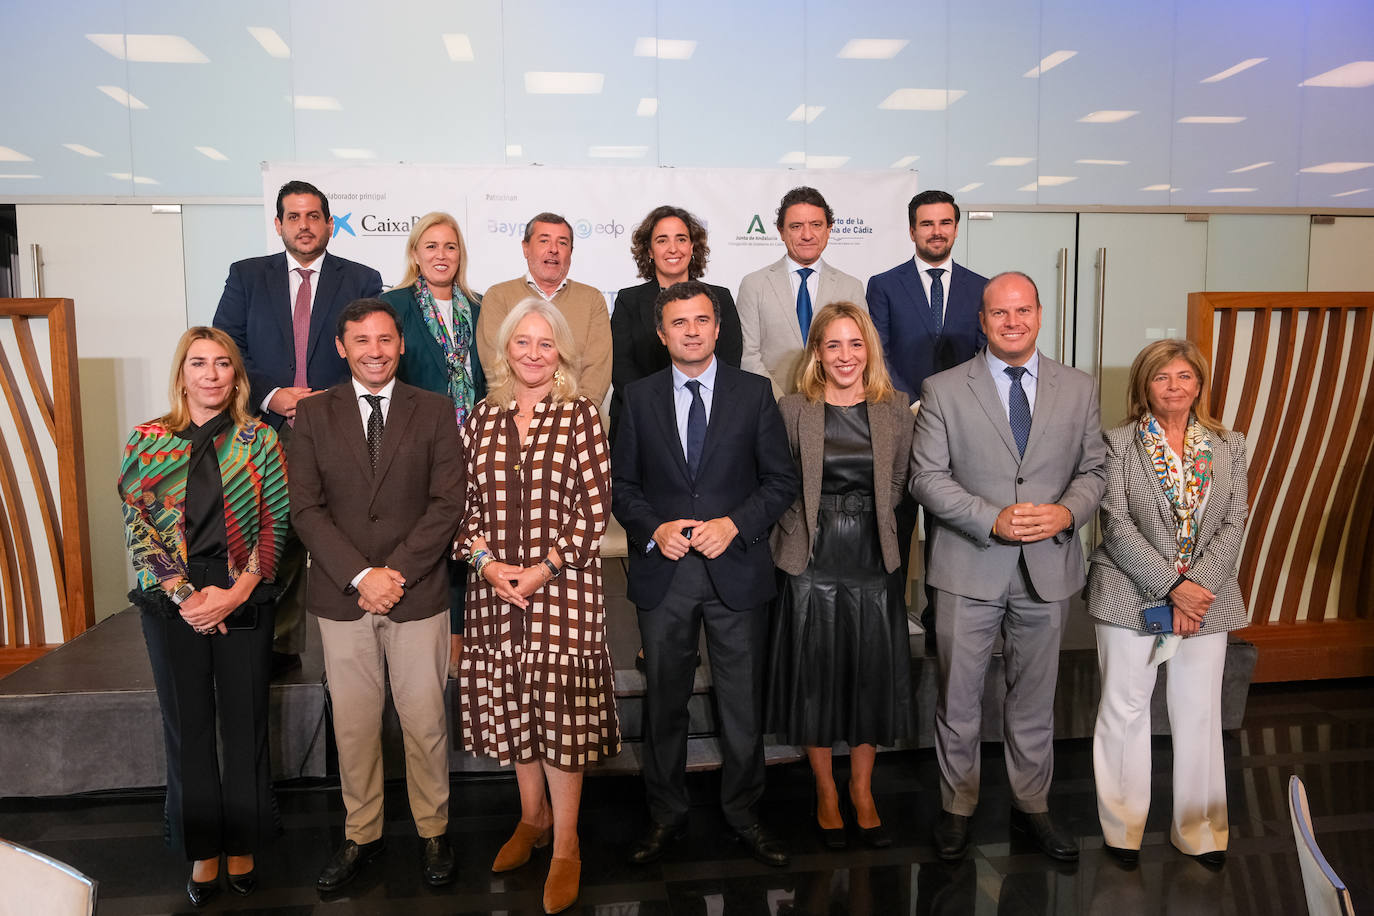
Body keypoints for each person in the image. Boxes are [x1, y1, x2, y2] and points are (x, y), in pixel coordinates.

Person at [909, 271, 1106, 863]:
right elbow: (925, 477)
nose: (1012, 322)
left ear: (1040, 315)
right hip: (968, 565)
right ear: (982, 319)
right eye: (1000, 313)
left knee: (1034, 698)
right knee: (959, 698)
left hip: (1046, 569)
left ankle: (1033, 804)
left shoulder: (1079, 387)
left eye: (1022, 311)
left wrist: (1066, 514)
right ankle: (958, 805)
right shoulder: (943, 389)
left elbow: (1095, 470)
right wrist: (988, 517)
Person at [612, 280, 798, 868]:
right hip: (665, 574)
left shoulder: (755, 393)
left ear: (718, 329)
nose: (691, 331)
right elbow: (622, 487)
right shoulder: (637, 398)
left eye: (701, 321)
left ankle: (744, 812)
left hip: (735, 570)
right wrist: (654, 528)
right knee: (665, 702)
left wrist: (734, 525)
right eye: (679, 323)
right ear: (661, 334)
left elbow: (779, 482)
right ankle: (666, 814)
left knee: (741, 704)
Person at [288, 299, 464, 892]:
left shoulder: (436, 411)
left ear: (401, 344)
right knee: (355, 727)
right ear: (341, 348)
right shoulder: (311, 417)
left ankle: (433, 830)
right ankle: (361, 833)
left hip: (418, 595)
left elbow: (447, 505)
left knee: (424, 721)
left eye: (385, 339)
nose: (375, 350)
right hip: (343, 599)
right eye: (361, 340)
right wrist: (363, 577)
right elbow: (306, 510)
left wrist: (396, 573)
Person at [456, 298, 618, 915]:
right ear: (503, 351)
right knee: (513, 701)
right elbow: (462, 506)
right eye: (521, 342)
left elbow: (592, 510)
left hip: (564, 589)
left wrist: (545, 568)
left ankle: (568, 842)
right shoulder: (480, 418)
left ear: (561, 353)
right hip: (494, 591)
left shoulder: (579, 416)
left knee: (562, 714)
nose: (532, 353)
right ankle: (532, 818)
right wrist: (489, 566)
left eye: (544, 343)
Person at [118, 327, 288, 907]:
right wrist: (186, 597)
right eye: (198, 363)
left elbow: (274, 526)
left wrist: (236, 593)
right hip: (172, 602)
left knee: (245, 727)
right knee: (188, 731)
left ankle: (243, 844)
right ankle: (202, 849)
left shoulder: (260, 438)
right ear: (182, 374)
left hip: (243, 591)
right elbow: (139, 524)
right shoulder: (149, 439)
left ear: (236, 376)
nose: (211, 374)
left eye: (222, 364)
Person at [1088, 339, 1248, 869]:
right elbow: (1114, 524)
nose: (1174, 387)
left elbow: (1233, 521)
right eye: (1162, 377)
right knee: (1125, 709)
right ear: (1143, 386)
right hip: (1129, 593)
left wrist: (1196, 585)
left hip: (1208, 598)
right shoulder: (1117, 444)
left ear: (1199, 384)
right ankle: (1123, 829)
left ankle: (1200, 829)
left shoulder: (1229, 445)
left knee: (1200, 713)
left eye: (1184, 376)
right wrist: (1170, 585)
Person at [213, 179, 384, 674]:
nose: (304, 226)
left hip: (339, 423)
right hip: (267, 424)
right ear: (279, 224)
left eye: (314, 216)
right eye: (294, 216)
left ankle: (355, 639)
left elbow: (375, 352)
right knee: (272, 534)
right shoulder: (247, 276)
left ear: (329, 224)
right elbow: (228, 347)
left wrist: (324, 402)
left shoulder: (362, 278)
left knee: (343, 528)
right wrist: (276, 395)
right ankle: (279, 646)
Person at [766, 302, 915, 850]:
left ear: (869, 350)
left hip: (873, 562)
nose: (846, 356)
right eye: (834, 345)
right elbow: (777, 480)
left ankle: (862, 788)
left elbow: (899, 480)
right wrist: (798, 528)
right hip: (811, 558)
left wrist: (870, 521)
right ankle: (826, 790)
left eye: (855, 344)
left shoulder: (895, 408)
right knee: (815, 680)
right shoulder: (792, 409)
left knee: (869, 677)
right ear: (817, 353)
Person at [867, 190, 989, 638]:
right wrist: (914, 402)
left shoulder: (981, 287)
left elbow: (985, 352)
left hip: (960, 428)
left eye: (944, 223)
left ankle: (942, 615)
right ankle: (891, 617)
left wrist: (946, 406)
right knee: (895, 523)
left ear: (956, 228)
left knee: (949, 526)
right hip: (899, 421)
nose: (936, 231)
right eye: (926, 224)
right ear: (912, 229)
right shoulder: (884, 284)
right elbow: (876, 350)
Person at [382, 211, 487, 674]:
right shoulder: (393, 306)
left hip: (475, 437)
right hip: (415, 440)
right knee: (425, 530)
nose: (441, 255)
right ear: (414, 254)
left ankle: (462, 632)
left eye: (450, 247)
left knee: (467, 532)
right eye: (431, 246)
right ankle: (421, 626)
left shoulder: (480, 307)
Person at [610, 204, 743, 444]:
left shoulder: (720, 298)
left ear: (692, 247)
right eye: (662, 240)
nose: (673, 248)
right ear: (649, 250)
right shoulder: (628, 300)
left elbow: (730, 360)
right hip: (639, 420)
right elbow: (621, 366)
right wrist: (661, 409)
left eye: (681, 239)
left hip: (708, 417)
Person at [736, 186, 867, 399]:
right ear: (781, 231)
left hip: (835, 407)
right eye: (796, 226)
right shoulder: (754, 285)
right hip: (771, 406)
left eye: (816, 225)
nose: (807, 235)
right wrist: (782, 405)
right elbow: (748, 356)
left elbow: (859, 353)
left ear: (829, 229)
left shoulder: (851, 287)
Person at [476, 212, 613, 407]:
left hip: (574, 421)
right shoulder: (499, 296)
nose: (553, 250)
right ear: (525, 248)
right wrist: (525, 413)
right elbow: (495, 363)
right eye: (544, 241)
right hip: (513, 417)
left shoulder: (591, 299)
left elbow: (597, 370)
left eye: (562, 243)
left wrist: (574, 415)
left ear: (571, 252)